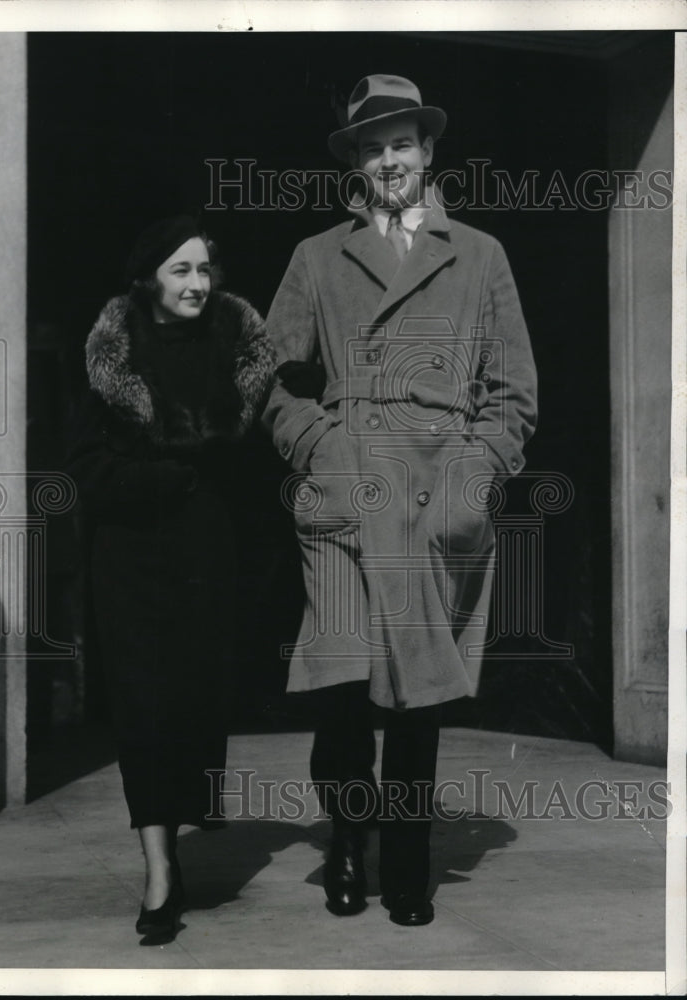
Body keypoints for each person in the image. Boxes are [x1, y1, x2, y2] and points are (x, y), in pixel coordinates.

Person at [263, 74, 537, 926]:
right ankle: (349, 846)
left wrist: (476, 472)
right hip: (349, 493)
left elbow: (514, 392)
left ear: (429, 153)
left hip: (436, 490)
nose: (390, 159)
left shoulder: (481, 253)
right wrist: (317, 445)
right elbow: (264, 377)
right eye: (373, 146)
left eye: (403, 143)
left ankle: (409, 867)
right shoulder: (317, 256)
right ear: (355, 159)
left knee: (419, 696)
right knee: (346, 688)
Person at [67, 214, 275, 944]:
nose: (197, 283)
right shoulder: (112, 353)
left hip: (208, 559)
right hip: (129, 559)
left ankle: (182, 839)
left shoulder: (236, 347)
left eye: (205, 269)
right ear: (148, 277)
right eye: (181, 269)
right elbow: (83, 465)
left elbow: (256, 465)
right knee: (143, 710)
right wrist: (155, 481)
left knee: (193, 705)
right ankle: (159, 872)